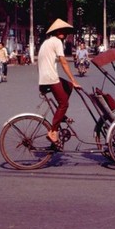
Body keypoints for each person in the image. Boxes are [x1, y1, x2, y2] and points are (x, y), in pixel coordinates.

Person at [38, 18, 81, 148]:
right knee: (64, 103)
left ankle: (60, 115)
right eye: (61, 30)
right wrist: (74, 80)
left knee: (68, 86)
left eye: (65, 31)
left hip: (45, 77)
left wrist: (71, 83)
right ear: (55, 32)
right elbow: (63, 62)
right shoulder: (57, 42)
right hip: (50, 77)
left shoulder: (47, 42)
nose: (63, 33)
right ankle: (53, 131)